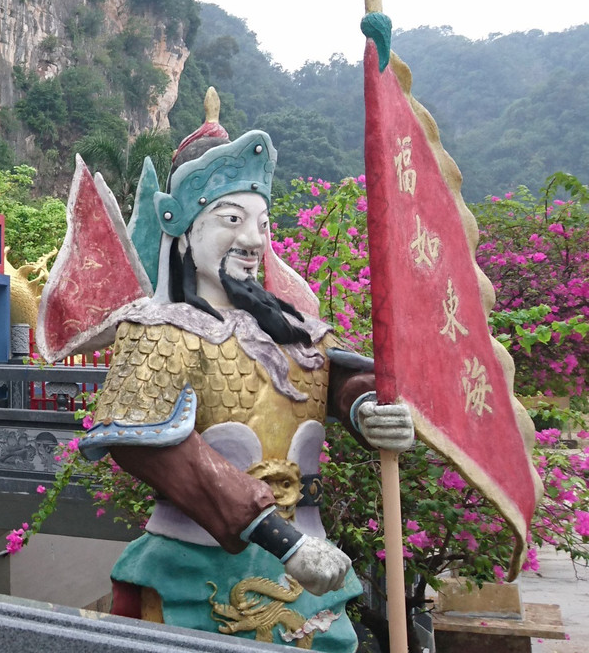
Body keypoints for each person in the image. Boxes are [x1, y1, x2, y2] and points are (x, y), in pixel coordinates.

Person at [76, 103, 414, 651]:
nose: (254, 240)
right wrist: (277, 537)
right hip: (200, 564)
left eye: (262, 223)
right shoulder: (160, 330)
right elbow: (143, 441)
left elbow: (339, 373)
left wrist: (368, 407)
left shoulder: (293, 329)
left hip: (308, 567)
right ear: (184, 230)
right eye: (232, 220)